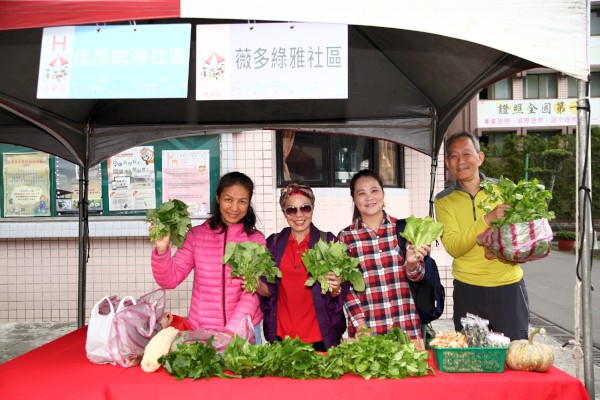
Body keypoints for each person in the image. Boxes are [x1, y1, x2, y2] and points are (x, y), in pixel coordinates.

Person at [434, 131, 529, 340]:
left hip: (508, 286)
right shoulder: (443, 200)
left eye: (467, 154)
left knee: (514, 354)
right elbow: (453, 246)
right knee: (472, 359)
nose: (461, 161)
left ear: (480, 157)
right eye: (453, 156)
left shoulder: (504, 189)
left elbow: (521, 238)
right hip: (468, 289)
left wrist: (506, 251)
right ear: (448, 164)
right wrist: (486, 220)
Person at [151, 171, 265, 342]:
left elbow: (252, 293)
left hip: (244, 332)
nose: (234, 208)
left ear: (248, 204)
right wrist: (162, 251)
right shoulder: (197, 235)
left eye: (242, 202)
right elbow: (169, 280)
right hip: (203, 332)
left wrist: (230, 332)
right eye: (228, 199)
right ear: (218, 198)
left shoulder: (255, 239)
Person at [338, 169, 430, 348]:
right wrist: (360, 325)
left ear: (383, 193)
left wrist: (411, 265)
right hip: (367, 331)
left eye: (374, 190)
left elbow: (418, 277)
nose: (369, 197)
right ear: (354, 200)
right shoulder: (346, 237)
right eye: (361, 193)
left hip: (406, 327)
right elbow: (346, 287)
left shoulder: (405, 229)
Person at [254, 182, 346, 351]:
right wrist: (255, 284)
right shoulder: (273, 244)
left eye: (305, 208)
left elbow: (338, 292)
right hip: (283, 338)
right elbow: (269, 292)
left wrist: (336, 288)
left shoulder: (329, 242)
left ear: (313, 209)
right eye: (291, 209)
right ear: (284, 212)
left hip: (321, 337)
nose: (299, 215)